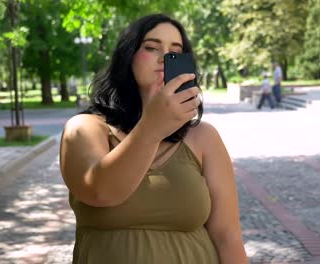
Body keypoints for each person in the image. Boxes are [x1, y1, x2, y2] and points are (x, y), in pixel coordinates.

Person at [59, 13, 247, 264]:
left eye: (175, 51)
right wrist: (153, 125)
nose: (164, 59)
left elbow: (227, 235)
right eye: (151, 47)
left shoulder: (204, 137)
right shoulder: (84, 128)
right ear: (128, 57)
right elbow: (100, 192)